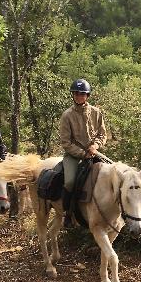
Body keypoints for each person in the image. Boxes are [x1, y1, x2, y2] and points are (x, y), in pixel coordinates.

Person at [58, 78, 107, 228]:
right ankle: (68, 213)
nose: (79, 96)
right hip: (74, 155)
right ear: (73, 95)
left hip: (93, 152)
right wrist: (82, 153)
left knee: (112, 172)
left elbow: (102, 134)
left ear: (87, 95)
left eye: (82, 94)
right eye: (76, 94)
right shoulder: (67, 115)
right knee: (70, 181)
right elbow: (66, 142)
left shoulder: (96, 112)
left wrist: (95, 146)